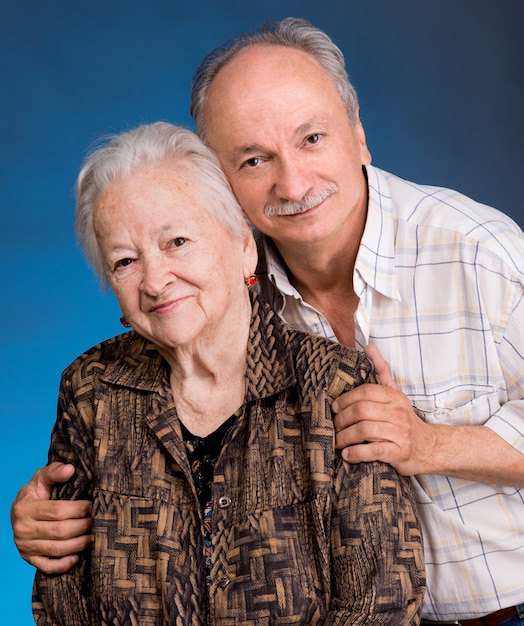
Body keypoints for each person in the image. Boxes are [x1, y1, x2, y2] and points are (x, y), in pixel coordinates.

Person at [12, 15, 524, 624]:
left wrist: (430, 443)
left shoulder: (478, 251)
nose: (293, 180)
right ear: (228, 188)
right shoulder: (203, 314)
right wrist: (40, 522)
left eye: (312, 139)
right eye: (254, 159)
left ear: (358, 134)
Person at [30, 121, 425, 625]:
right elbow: (62, 596)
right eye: (126, 261)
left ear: (242, 244)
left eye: (176, 241)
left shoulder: (334, 384)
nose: (154, 280)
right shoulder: (92, 389)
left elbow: (382, 603)